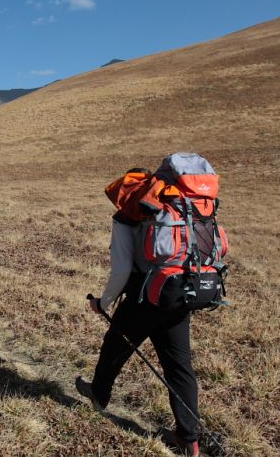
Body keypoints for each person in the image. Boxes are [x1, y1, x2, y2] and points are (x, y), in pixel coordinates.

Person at [76, 167, 202, 457]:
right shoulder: (178, 208)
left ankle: (98, 394)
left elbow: (121, 270)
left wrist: (103, 303)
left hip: (144, 297)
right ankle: (189, 438)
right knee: (179, 367)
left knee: (115, 347)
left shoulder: (127, 216)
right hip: (177, 294)